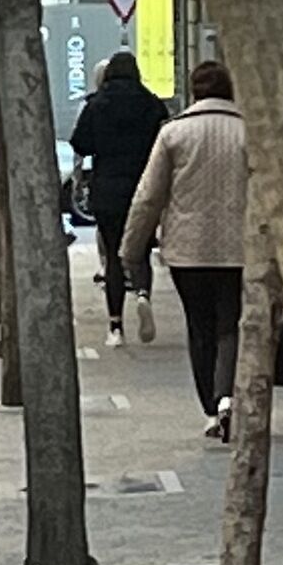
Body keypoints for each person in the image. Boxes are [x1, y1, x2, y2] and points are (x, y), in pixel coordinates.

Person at [123, 58, 248, 437]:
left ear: (194, 91)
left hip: (186, 250)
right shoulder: (248, 132)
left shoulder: (173, 134)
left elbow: (148, 197)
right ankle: (228, 397)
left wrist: (131, 249)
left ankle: (210, 410)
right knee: (231, 324)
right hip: (239, 248)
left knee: (200, 327)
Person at [67, 49, 170, 345]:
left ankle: (115, 327)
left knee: (113, 254)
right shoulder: (152, 105)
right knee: (139, 252)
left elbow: (80, 143)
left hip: (107, 187)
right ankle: (142, 294)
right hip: (143, 186)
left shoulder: (96, 105)